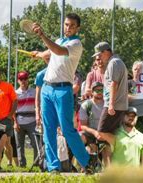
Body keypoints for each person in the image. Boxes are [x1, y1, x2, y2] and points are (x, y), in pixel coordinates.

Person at [30, 13, 93, 173]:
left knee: (67, 130)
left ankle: (87, 163)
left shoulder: (76, 44)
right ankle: (53, 168)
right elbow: (49, 53)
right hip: (47, 89)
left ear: (78, 28)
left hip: (63, 90)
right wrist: (38, 54)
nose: (68, 28)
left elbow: (57, 51)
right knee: (48, 130)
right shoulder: (59, 40)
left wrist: (42, 35)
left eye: (72, 25)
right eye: (66, 24)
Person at [93, 41, 129, 145]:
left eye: (99, 55)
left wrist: (111, 105)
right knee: (108, 134)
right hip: (117, 105)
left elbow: (114, 83)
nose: (99, 58)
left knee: (101, 132)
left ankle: (124, 147)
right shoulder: (115, 62)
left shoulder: (114, 62)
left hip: (114, 105)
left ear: (106, 52)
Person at [14, 71, 39, 167]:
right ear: (18, 81)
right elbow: (13, 110)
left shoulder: (34, 92)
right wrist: (15, 123)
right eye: (21, 79)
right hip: (19, 120)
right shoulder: (15, 93)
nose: (23, 81)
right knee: (19, 145)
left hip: (32, 120)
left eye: (25, 79)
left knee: (36, 143)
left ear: (28, 80)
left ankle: (36, 163)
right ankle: (22, 164)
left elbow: (38, 105)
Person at [78, 82, 105, 162]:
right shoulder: (86, 105)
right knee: (79, 138)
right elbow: (83, 126)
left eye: (102, 90)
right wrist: (95, 132)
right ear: (92, 92)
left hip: (104, 133)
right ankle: (77, 164)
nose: (100, 92)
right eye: (97, 90)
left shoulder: (107, 104)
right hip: (89, 133)